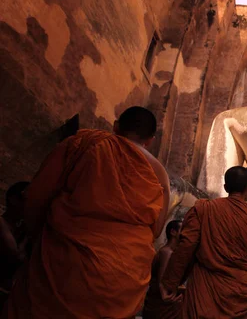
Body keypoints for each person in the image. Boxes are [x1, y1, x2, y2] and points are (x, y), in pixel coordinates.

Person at [2, 106, 170, 319]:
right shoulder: (159, 174)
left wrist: (38, 242)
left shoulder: (84, 144)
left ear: (116, 126)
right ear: (151, 140)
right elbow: (156, 229)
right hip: (123, 277)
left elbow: (35, 197)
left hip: (63, 266)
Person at [161, 166, 247, 319]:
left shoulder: (204, 209)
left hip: (205, 291)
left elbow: (185, 248)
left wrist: (170, 283)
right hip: (241, 293)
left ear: (226, 187)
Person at [143, 220, 183, 319]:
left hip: (158, 304)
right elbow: (163, 284)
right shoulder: (167, 252)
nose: (186, 233)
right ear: (173, 232)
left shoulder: (170, 252)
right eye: (182, 229)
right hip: (160, 307)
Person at [0, 182, 29, 311]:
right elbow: (15, 254)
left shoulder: (22, 230)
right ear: (12, 199)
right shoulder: (1, 223)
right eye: (25, 201)